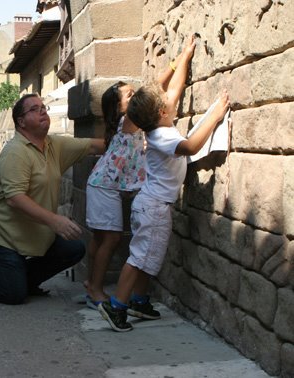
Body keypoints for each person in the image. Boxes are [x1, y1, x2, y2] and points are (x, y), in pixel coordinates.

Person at [99, 35, 231, 331]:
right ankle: (117, 306)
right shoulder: (163, 136)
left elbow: (174, 88)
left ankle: (138, 300)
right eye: (167, 104)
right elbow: (192, 146)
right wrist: (216, 114)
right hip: (154, 207)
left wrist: (184, 56)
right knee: (139, 257)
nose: (172, 101)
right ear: (162, 112)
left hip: (149, 204)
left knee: (147, 253)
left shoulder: (157, 124)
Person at [0, 94, 105, 305]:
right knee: (14, 295)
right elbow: (15, 199)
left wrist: (130, 141)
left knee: (74, 250)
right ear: (21, 121)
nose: (43, 110)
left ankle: (20, 279)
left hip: (33, 237)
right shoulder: (15, 152)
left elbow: (92, 146)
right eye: (35, 109)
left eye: (43, 107)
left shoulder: (53, 145)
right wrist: (55, 220)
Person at [84, 81, 145, 310]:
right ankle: (96, 290)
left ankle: (91, 283)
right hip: (104, 187)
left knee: (100, 238)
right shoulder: (127, 121)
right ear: (119, 107)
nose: (135, 96)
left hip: (102, 184)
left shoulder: (124, 123)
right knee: (111, 239)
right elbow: (154, 90)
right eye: (129, 95)